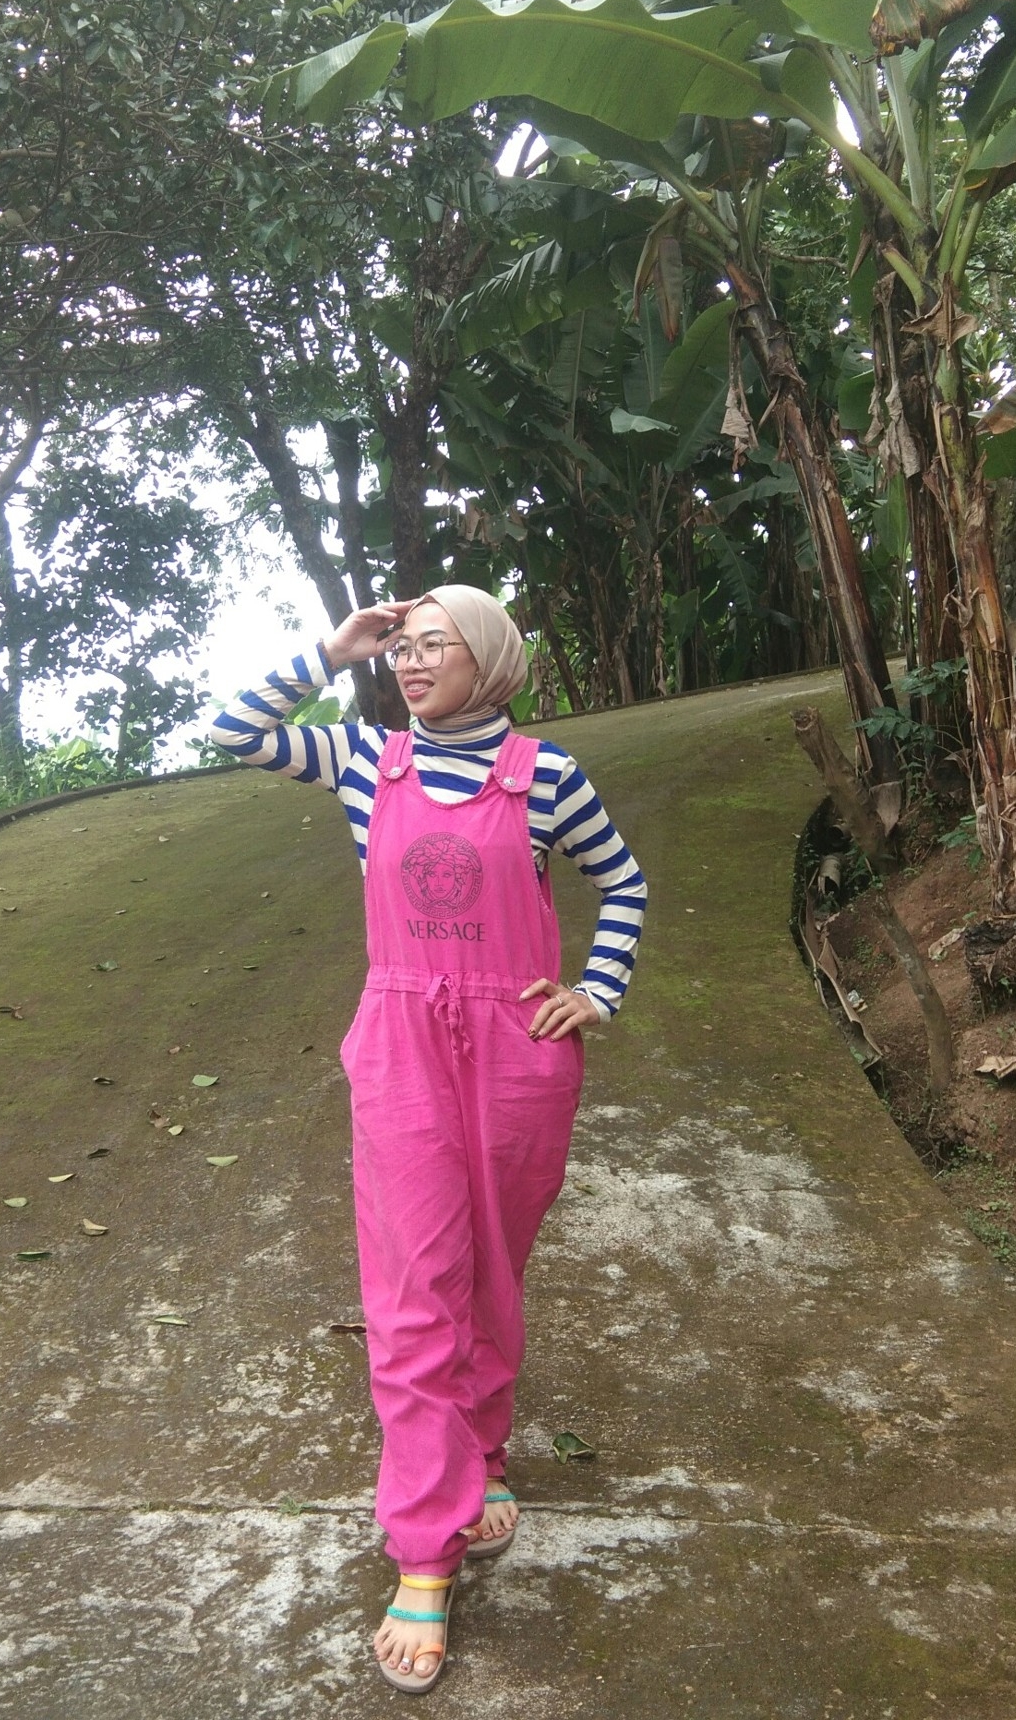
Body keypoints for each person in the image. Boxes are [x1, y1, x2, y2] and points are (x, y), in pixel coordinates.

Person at [210, 586, 646, 1692]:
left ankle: (482, 1451)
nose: (407, 662)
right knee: (412, 1293)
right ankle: (423, 1551)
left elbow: (624, 882)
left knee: (493, 1271)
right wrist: (332, 652)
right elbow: (235, 733)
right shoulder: (365, 760)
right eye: (399, 648)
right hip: (402, 1045)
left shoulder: (547, 776)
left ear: (486, 658)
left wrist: (596, 991)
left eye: (430, 645)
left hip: (516, 1052)